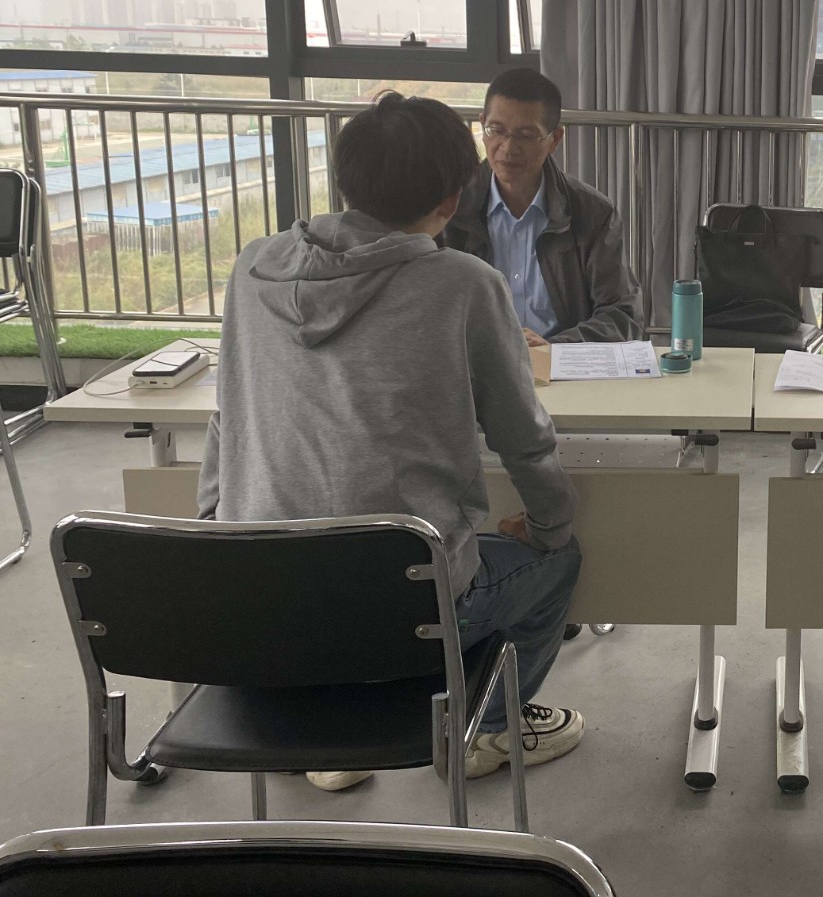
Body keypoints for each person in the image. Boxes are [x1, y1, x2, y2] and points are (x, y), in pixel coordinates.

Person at [199, 92, 586, 794]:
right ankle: (488, 731)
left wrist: (216, 532)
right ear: (453, 197)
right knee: (557, 560)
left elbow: (227, 412)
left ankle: (333, 734)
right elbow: (523, 439)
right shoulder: (464, 284)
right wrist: (550, 525)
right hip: (406, 599)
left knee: (338, 583)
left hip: (258, 596)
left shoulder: (253, 265)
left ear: (347, 178)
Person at [443, 67, 644, 345]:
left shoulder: (591, 212)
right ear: (482, 126)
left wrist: (556, 348)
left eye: (525, 135)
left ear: (554, 140)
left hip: (558, 361)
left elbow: (622, 315)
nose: (508, 147)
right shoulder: (452, 207)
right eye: (497, 131)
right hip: (476, 362)